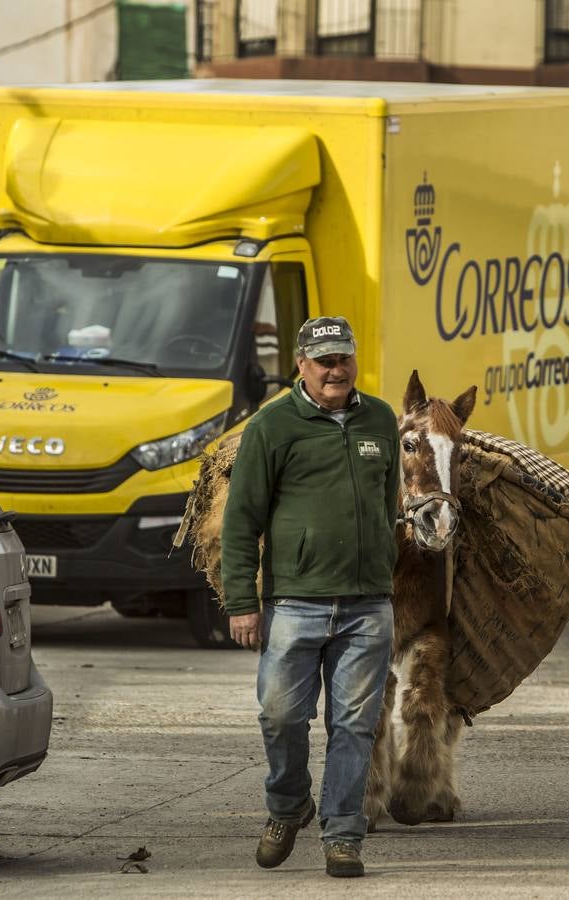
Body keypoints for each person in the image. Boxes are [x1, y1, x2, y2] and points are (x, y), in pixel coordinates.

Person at [220, 315, 400, 879]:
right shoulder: (272, 426)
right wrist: (241, 602)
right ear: (301, 365)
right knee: (280, 716)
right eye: (324, 361)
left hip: (368, 604)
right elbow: (241, 520)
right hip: (295, 603)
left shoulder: (379, 419)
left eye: (343, 358)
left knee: (354, 726)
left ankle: (343, 834)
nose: (335, 370)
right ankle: (288, 803)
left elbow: (388, 501)